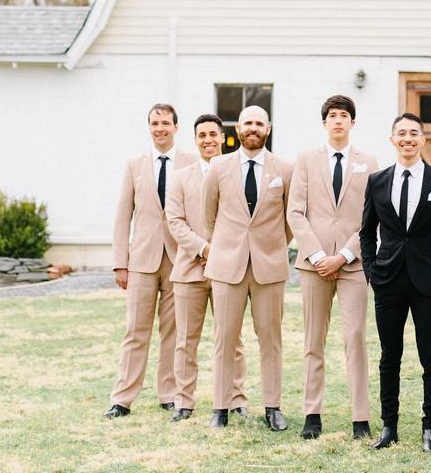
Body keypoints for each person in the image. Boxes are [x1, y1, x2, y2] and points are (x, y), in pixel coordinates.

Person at [360, 113, 431, 452]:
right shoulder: (376, 181)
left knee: (429, 355)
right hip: (387, 281)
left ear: (423, 139)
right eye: (401, 133)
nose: (407, 138)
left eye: (413, 133)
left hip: (428, 284)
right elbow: (366, 232)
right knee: (390, 356)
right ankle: (389, 426)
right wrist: (371, 271)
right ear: (392, 139)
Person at [287, 95, 377, 440]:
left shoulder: (368, 162)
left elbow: (372, 216)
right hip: (314, 266)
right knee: (314, 340)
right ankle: (312, 413)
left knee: (355, 337)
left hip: (352, 265)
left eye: (344, 116)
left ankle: (361, 417)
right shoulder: (306, 160)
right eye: (332, 116)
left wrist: (344, 255)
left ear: (353, 123)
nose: (338, 121)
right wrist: (317, 256)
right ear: (324, 122)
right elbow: (295, 211)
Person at [202, 105, 294, 429]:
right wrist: (228, 246)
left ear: (267, 129)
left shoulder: (285, 168)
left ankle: (273, 407)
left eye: (259, 123)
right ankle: (220, 408)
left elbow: (290, 220)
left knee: (271, 339)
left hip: (269, 266)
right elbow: (209, 216)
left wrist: (269, 245)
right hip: (228, 267)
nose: (253, 128)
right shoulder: (218, 167)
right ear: (237, 129)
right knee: (224, 338)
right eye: (247, 123)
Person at [105, 103, 196, 418]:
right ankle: (122, 398)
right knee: (135, 330)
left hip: (178, 260)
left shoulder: (191, 163)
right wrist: (121, 262)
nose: (160, 128)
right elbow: (122, 215)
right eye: (155, 123)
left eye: (166, 123)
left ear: (176, 127)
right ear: (149, 127)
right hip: (141, 260)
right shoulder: (135, 165)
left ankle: (169, 393)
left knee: (173, 331)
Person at [165, 114, 247, 422]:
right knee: (186, 339)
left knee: (231, 337)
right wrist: (205, 249)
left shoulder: (236, 172)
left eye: (213, 134)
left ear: (223, 137)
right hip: (190, 269)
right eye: (202, 135)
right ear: (195, 139)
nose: (208, 139)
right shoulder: (181, 177)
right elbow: (174, 220)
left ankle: (236, 398)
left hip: (229, 270)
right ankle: (184, 401)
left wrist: (222, 253)